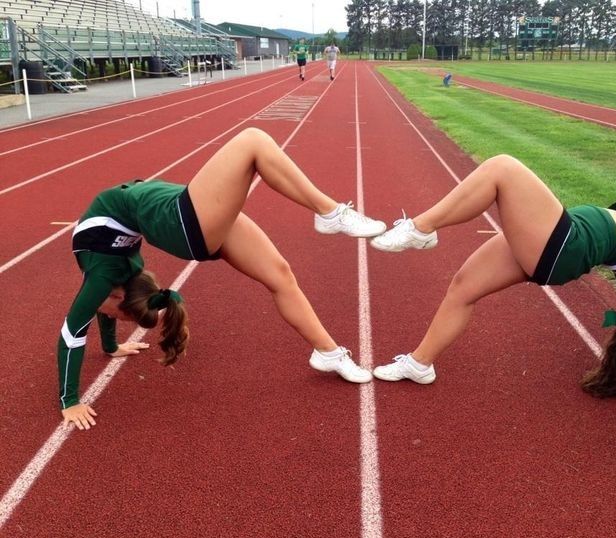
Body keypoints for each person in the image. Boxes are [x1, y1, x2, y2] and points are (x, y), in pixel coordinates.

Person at [59, 127, 387, 430]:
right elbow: (79, 327)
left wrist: (111, 347)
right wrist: (70, 402)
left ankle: (326, 352)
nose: (98, 311)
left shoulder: (107, 278)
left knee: (281, 276)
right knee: (253, 141)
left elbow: (90, 316)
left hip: (181, 218)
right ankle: (329, 212)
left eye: (113, 314)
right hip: (180, 219)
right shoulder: (107, 277)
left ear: (119, 297)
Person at [369, 154, 616, 416]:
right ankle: (420, 364)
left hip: (565, 245)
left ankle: (422, 227)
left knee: (502, 168)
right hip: (563, 239)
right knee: (463, 287)